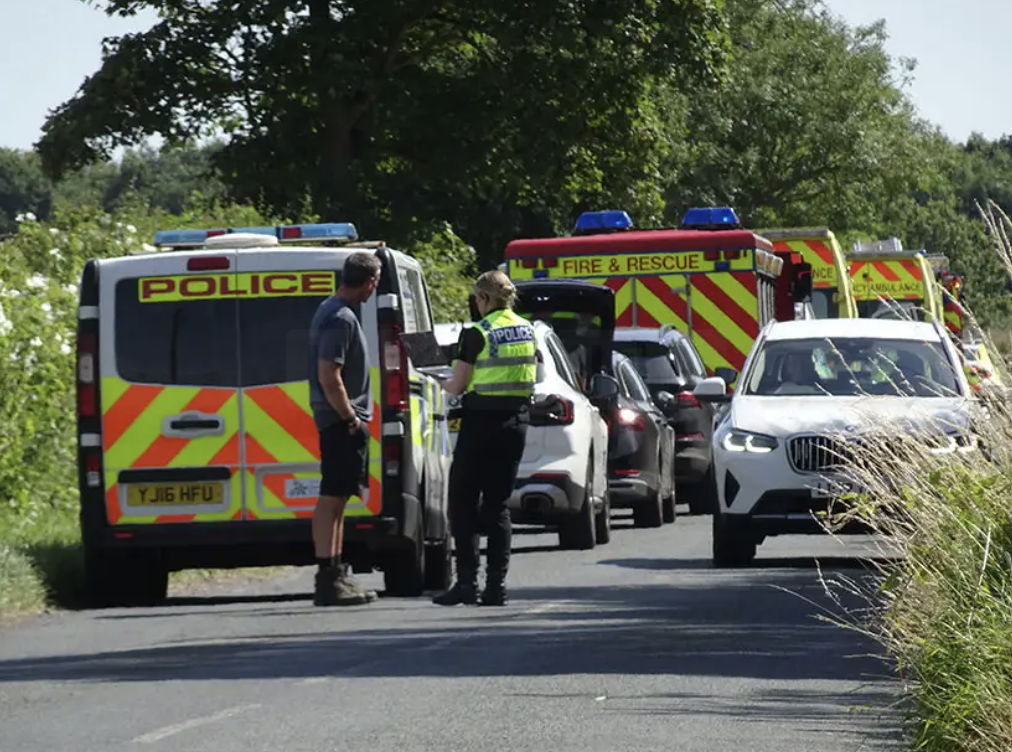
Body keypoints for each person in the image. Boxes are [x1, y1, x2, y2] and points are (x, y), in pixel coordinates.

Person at [433, 270, 537, 607]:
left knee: (462, 501)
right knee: (498, 506)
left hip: (481, 424)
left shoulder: (477, 332)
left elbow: (458, 385)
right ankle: (496, 587)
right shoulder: (527, 329)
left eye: (477, 299)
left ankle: (466, 583)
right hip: (516, 423)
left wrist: (435, 380)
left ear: (484, 299)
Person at [307, 251, 382, 607]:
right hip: (339, 419)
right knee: (332, 496)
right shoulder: (340, 318)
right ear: (369, 282)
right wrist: (351, 418)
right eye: (375, 282)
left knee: (337, 497)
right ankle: (327, 578)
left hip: (339, 418)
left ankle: (335, 573)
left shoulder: (333, 311)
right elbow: (329, 375)